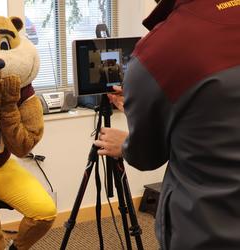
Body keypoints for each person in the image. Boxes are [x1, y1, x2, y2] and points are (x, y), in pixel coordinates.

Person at [94, 0, 240, 249]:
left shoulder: (157, 52)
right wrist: (150, 105)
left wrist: (126, 144)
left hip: (208, 231)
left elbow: (146, 156)